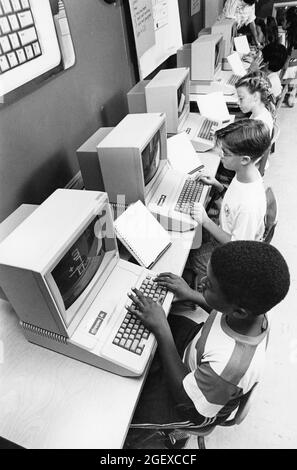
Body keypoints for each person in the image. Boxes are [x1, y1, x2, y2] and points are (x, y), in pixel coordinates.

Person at [124, 241, 290, 449]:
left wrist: (162, 331)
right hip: (197, 351)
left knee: (127, 413)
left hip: (194, 403)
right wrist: (191, 294)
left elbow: (187, 404)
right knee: (156, 321)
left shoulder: (229, 366)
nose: (200, 282)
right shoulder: (255, 311)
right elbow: (221, 310)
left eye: (209, 285)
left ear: (239, 312)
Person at [186, 119, 270, 284]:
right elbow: (233, 201)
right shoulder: (245, 175)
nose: (220, 154)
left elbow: (236, 246)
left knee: (193, 255)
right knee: (192, 236)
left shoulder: (249, 205)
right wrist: (217, 186)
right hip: (224, 226)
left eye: (225, 152)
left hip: (231, 255)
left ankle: (205, 286)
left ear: (244, 159)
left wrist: (206, 221)